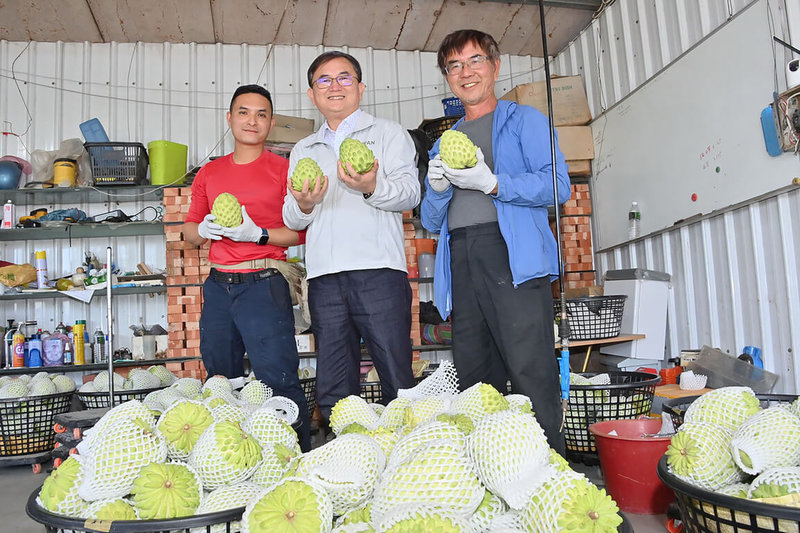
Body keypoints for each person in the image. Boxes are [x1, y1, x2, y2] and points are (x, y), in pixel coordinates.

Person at [421, 30, 571, 455]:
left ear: (495, 65)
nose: (465, 72)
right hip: (462, 258)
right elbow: (432, 222)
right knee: (475, 374)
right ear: (447, 77)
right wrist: (436, 188)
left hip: (513, 256)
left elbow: (557, 185)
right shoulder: (443, 143)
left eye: (474, 61)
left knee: (529, 369)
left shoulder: (524, 120)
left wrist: (494, 184)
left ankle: (550, 472)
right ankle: (490, 471)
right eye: (454, 66)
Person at [282, 51, 420, 424]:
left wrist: (373, 185)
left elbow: (410, 193)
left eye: (344, 78)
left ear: (360, 88)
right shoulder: (304, 149)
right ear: (312, 94)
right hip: (325, 278)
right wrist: (305, 204)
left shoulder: (388, 134)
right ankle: (346, 459)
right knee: (335, 381)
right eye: (324, 80)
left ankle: (408, 459)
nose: (335, 86)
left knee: (395, 372)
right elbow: (290, 215)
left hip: (379, 272)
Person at [184, 84, 311, 452]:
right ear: (229, 118)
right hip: (219, 286)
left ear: (270, 123)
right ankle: (231, 457)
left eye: (261, 114)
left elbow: (299, 234)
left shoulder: (283, 170)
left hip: (264, 283)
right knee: (221, 380)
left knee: (279, 378)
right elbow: (189, 230)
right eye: (243, 112)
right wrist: (202, 230)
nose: (251, 120)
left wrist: (257, 234)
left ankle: (293, 457)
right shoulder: (210, 172)